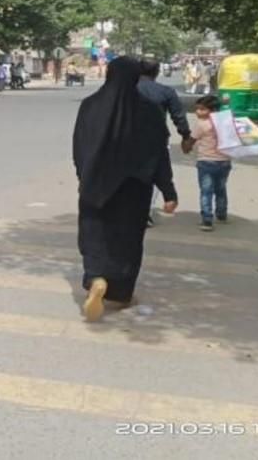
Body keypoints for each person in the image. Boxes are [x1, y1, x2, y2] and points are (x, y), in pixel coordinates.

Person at [73, 57, 178, 322]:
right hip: (135, 187)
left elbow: (79, 146)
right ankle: (120, 292)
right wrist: (168, 191)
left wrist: (83, 175)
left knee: (94, 232)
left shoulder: (90, 105)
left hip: (95, 183)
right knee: (127, 240)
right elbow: (159, 154)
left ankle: (96, 276)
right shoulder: (150, 111)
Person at [137, 58, 194, 228]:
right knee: (155, 174)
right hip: (156, 140)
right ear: (157, 72)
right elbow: (178, 116)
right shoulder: (165, 92)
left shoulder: (125, 90)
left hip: (126, 140)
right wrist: (185, 136)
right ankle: (144, 212)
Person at [187, 95, 233, 231]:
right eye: (197, 109)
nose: (198, 112)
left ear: (212, 110)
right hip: (224, 161)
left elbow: (191, 140)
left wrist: (186, 147)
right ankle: (221, 214)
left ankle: (207, 219)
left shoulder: (202, 124)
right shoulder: (226, 123)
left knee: (206, 191)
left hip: (206, 161)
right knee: (221, 189)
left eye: (202, 109)